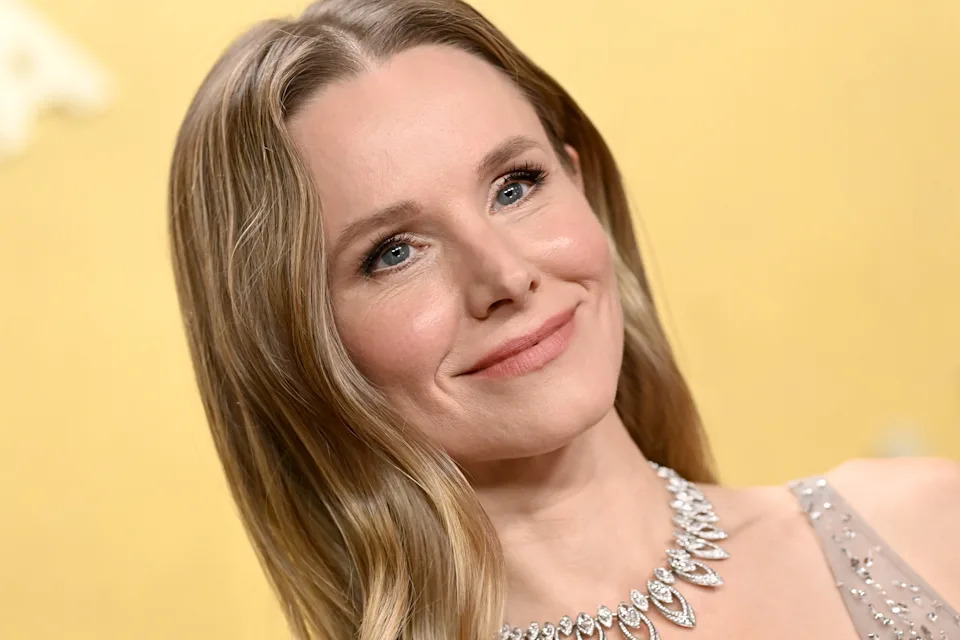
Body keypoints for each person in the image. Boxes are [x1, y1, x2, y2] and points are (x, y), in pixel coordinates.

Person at [166, 1, 960, 638]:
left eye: (515, 185)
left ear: (580, 185)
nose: (506, 276)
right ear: (294, 348)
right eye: (393, 252)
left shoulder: (930, 531)